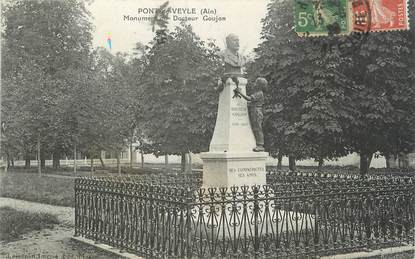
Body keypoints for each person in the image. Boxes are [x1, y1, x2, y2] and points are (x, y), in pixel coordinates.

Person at [235, 77, 267, 152]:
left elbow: (249, 99)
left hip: (256, 112)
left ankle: (260, 145)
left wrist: (240, 93)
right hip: (254, 110)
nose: (255, 84)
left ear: (259, 85)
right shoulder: (258, 92)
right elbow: (252, 102)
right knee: (255, 128)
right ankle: (259, 144)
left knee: (257, 128)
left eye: (256, 83)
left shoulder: (259, 93)